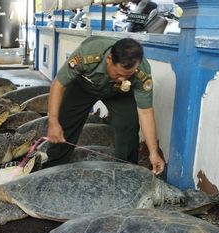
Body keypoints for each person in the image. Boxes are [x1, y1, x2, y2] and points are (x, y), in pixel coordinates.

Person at [45, 35, 165, 174]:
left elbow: (145, 112)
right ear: (109, 59)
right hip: (83, 86)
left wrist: (153, 153)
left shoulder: (142, 72)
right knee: (64, 121)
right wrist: (53, 121)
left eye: (128, 75)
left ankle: (126, 171)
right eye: (119, 73)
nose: (122, 79)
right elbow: (58, 84)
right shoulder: (88, 54)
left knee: (129, 124)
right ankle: (52, 168)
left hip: (118, 93)